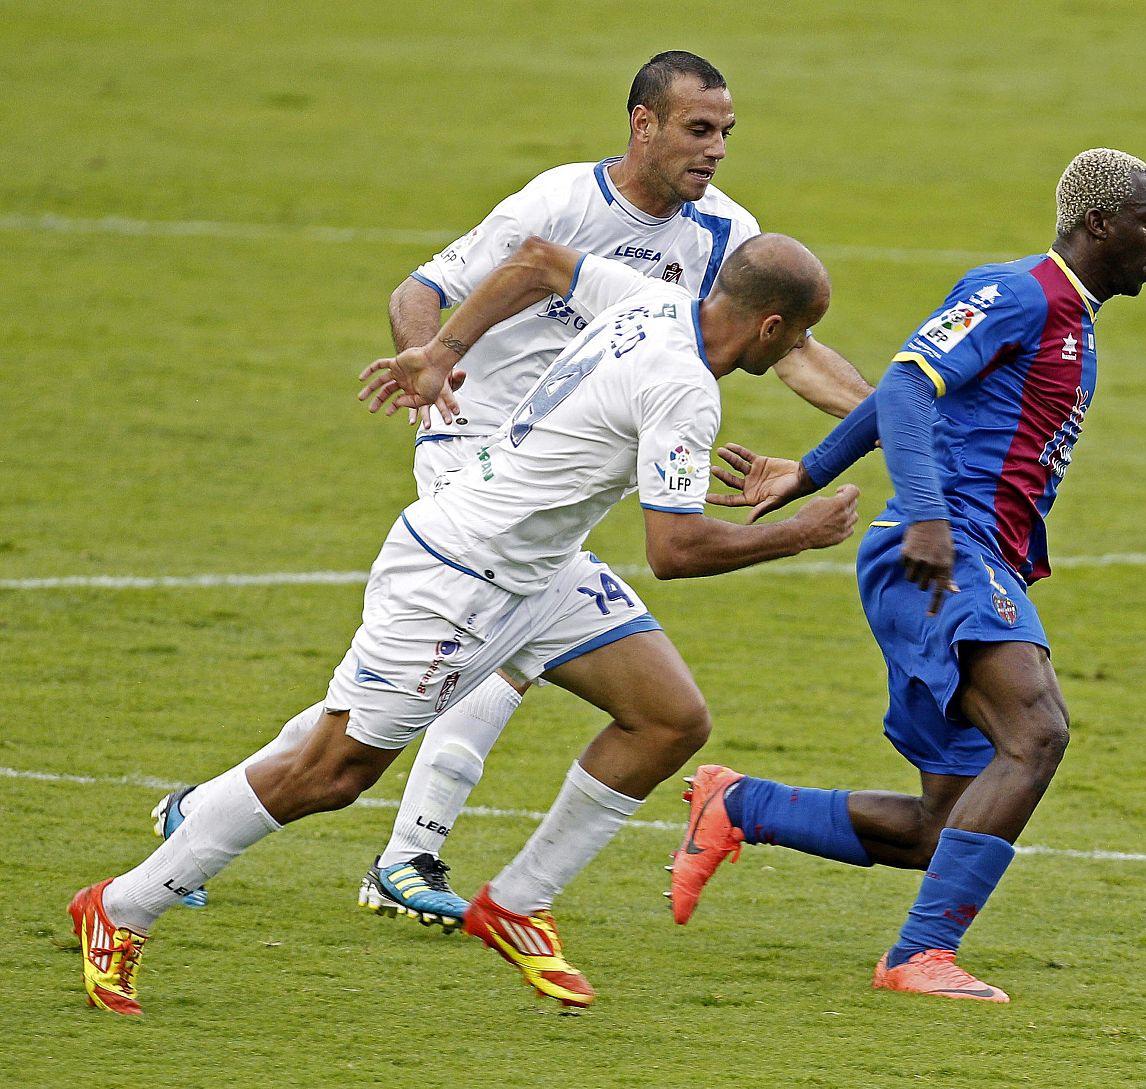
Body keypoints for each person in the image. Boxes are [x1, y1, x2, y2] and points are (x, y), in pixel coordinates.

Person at [148, 50, 871, 925]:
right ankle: (412, 854)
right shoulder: (559, 204)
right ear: (643, 123)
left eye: (725, 132)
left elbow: (783, 343)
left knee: (425, 675)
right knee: (496, 646)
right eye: (698, 129)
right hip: (477, 447)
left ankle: (210, 811)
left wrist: (891, 413)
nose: (716, 149)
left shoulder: (726, 235)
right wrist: (434, 361)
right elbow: (425, 288)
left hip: (572, 460)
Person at [71, 232, 861, 1016]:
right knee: (331, 770)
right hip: (456, 579)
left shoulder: (653, 299)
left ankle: (516, 903)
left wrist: (442, 347)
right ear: (771, 328)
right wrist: (802, 531)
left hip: (541, 569)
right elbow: (675, 549)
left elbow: (540, 259)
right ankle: (122, 906)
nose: (803, 347)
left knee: (669, 719)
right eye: (802, 332)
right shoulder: (687, 388)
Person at [668, 149, 1146, 1003]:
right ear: (1098, 225)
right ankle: (918, 955)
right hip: (942, 552)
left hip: (965, 556)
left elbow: (906, 377)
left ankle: (740, 804)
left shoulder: (1072, 318)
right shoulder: (1021, 292)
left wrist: (808, 470)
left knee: (944, 826)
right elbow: (906, 384)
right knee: (1038, 732)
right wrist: (932, 515)